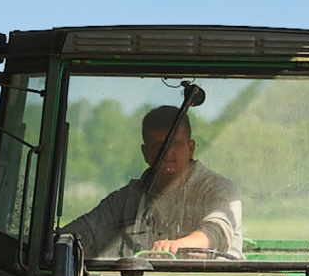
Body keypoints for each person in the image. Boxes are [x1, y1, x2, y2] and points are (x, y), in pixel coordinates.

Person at [62, 106, 242, 259]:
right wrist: (73, 248)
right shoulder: (127, 200)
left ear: (191, 148)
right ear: (145, 152)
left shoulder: (217, 189)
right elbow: (78, 233)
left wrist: (177, 246)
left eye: (176, 144)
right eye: (159, 146)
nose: (168, 153)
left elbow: (217, 233)